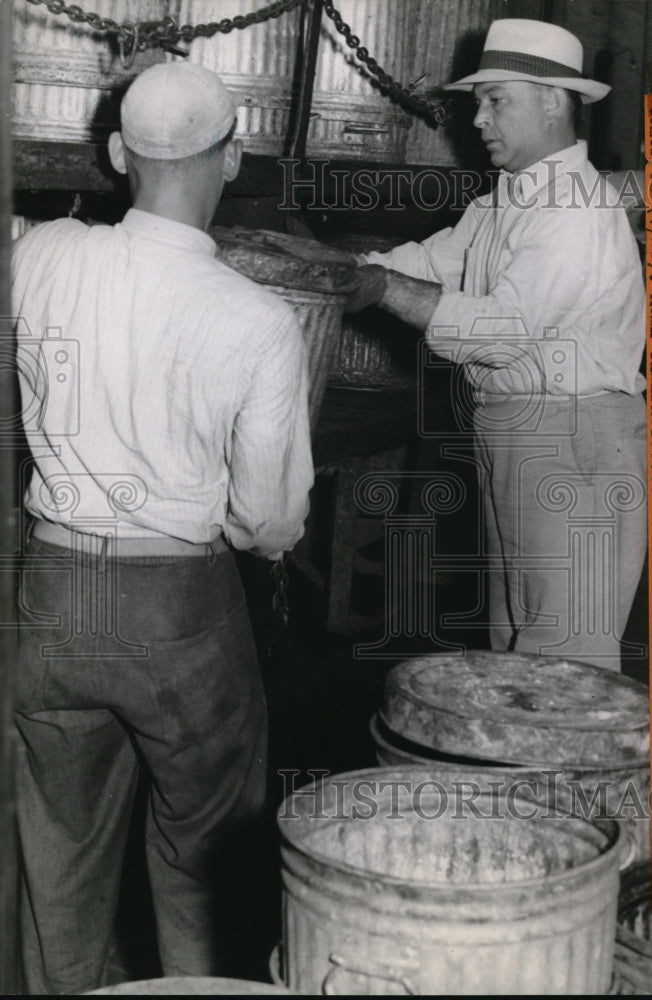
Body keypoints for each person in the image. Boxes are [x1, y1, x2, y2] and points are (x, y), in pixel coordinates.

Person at [12, 62, 313, 992]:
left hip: (50, 594)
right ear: (231, 160)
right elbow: (269, 518)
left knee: (56, 852)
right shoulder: (260, 319)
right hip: (178, 604)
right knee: (204, 852)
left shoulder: (43, 256)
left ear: (114, 154)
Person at [346, 19, 646, 672]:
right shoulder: (506, 199)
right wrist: (341, 271)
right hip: (517, 430)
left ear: (551, 100)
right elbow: (432, 261)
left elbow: (504, 333)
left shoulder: (574, 210)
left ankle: (578, 779)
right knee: (518, 647)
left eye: (496, 100)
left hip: (574, 438)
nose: (477, 119)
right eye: (478, 103)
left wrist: (381, 290)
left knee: (566, 666)